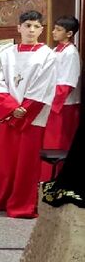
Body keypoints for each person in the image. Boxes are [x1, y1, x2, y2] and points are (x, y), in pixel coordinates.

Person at [0, 10, 56, 219]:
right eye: (27, 25)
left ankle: (21, 205)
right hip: (11, 115)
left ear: (41, 29)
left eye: (36, 26)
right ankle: (1, 200)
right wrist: (11, 108)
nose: (31, 30)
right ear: (18, 27)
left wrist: (25, 110)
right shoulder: (6, 53)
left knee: (26, 164)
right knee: (5, 162)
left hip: (32, 118)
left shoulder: (47, 54)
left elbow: (45, 85)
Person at [41, 16, 80, 180]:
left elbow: (67, 84)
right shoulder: (56, 50)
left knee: (57, 145)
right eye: (54, 28)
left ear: (69, 33)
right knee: (47, 144)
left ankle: (53, 179)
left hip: (63, 106)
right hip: (51, 102)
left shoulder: (70, 53)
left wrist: (51, 104)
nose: (53, 32)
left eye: (58, 29)